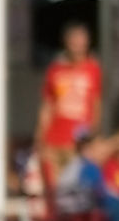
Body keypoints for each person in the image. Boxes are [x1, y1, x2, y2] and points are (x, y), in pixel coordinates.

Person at [38, 21, 103, 153]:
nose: (77, 45)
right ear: (66, 42)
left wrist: (93, 134)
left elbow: (96, 103)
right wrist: (40, 137)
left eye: (81, 41)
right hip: (55, 139)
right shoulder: (55, 70)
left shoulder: (93, 69)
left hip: (81, 141)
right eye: (74, 41)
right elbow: (47, 106)